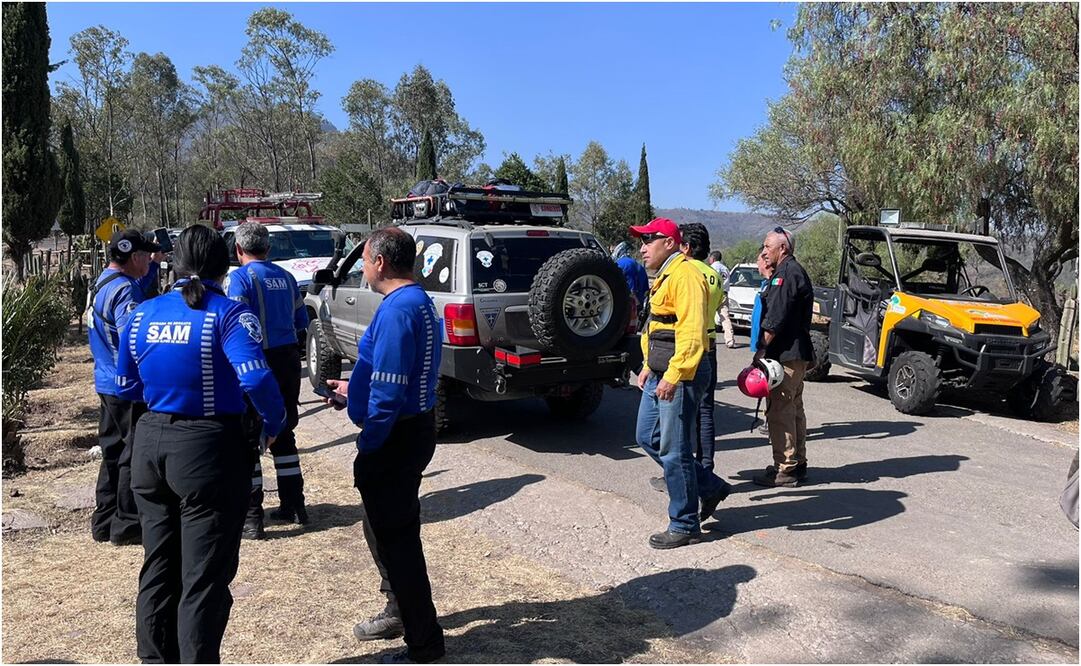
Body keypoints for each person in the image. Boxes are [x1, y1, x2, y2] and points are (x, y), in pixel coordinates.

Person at [116, 225, 286, 663]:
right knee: (204, 576)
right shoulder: (226, 314)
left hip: (151, 443)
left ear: (174, 263)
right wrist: (273, 422)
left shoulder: (142, 313)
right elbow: (256, 377)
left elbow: (127, 384)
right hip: (208, 447)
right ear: (223, 264)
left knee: (158, 565)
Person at [323, 227, 445, 664]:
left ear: (379, 262)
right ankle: (401, 611)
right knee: (386, 531)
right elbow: (390, 374)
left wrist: (369, 441)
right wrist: (350, 389)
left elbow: (391, 391)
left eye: (364, 259)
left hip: (395, 436)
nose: (361, 268)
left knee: (398, 540)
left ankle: (424, 640)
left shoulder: (398, 310)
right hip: (409, 428)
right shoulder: (416, 302)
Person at [631, 218, 729, 549]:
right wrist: (647, 365)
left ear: (670, 243)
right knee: (647, 436)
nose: (642, 247)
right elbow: (656, 325)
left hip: (680, 372)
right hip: (659, 369)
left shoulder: (686, 275)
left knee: (674, 449)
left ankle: (685, 523)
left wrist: (674, 375)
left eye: (649, 240)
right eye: (641, 241)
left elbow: (692, 329)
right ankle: (710, 487)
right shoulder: (665, 276)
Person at [227, 221, 310, 539]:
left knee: (249, 438)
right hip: (288, 359)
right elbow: (301, 320)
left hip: (256, 361)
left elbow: (236, 325)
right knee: (284, 432)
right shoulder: (287, 278)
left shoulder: (239, 279)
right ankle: (295, 505)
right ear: (269, 248)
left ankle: (251, 518)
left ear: (238, 249)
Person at [87, 229, 162, 546]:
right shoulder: (124, 292)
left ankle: (103, 521)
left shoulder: (103, 280)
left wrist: (154, 268)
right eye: (147, 255)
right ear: (135, 257)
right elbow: (132, 336)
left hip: (105, 379)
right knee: (133, 454)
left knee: (113, 451)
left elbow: (137, 285)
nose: (150, 259)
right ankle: (128, 524)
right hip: (126, 386)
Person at [753, 227, 814, 487]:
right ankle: (797, 462)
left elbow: (774, 319)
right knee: (794, 410)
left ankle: (785, 468)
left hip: (786, 355)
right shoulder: (790, 272)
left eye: (768, 246)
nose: (764, 252)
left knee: (780, 411)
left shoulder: (786, 275)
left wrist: (760, 350)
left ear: (783, 248)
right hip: (795, 355)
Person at [709, 250, 736, 349]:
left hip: (715, 293)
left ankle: (708, 337)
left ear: (713, 258)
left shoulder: (713, 268)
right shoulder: (725, 268)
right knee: (725, 317)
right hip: (724, 293)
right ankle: (730, 340)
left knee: (709, 315)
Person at [611, 241, 649, 310]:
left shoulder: (621, 263)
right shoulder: (634, 263)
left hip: (629, 305)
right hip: (639, 300)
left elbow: (631, 291)